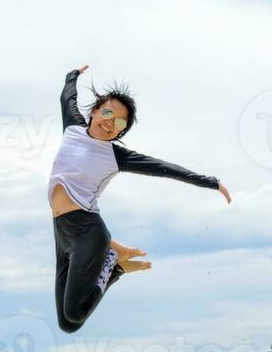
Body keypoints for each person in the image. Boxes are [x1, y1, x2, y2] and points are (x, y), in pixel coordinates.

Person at [48, 65, 231, 333]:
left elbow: (163, 168)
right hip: (61, 232)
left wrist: (210, 182)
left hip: (88, 231)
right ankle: (117, 268)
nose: (110, 123)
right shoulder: (72, 128)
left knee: (74, 313)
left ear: (121, 131)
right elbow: (67, 96)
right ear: (96, 110)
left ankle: (112, 259)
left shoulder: (115, 156)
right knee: (67, 324)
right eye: (108, 113)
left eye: (119, 122)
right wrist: (72, 75)